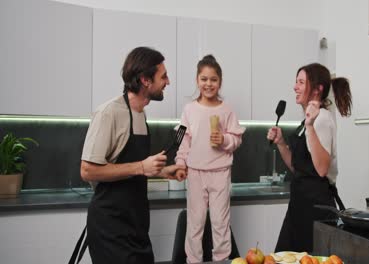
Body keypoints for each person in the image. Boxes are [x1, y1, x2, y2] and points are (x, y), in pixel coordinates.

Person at [78, 47, 185, 264]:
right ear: (145, 80)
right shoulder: (109, 113)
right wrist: (141, 167)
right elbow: (87, 170)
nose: (168, 81)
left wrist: (162, 171)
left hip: (136, 226)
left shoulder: (140, 113)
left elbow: (131, 166)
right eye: (163, 76)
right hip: (110, 227)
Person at [267, 63, 352, 253]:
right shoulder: (307, 121)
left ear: (316, 89)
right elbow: (299, 169)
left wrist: (311, 126)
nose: (295, 87)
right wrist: (281, 143)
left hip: (316, 208)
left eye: (300, 82)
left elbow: (321, 169)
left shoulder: (321, 119)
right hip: (299, 204)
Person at [174, 55, 245, 263]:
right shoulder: (189, 110)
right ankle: (193, 260)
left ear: (220, 82)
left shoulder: (227, 109)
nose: (208, 84)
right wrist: (180, 164)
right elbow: (182, 140)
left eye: (213, 79)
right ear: (197, 80)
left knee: (220, 223)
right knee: (195, 222)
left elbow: (237, 139)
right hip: (195, 173)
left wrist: (224, 139)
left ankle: (221, 260)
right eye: (204, 79)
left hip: (220, 173)